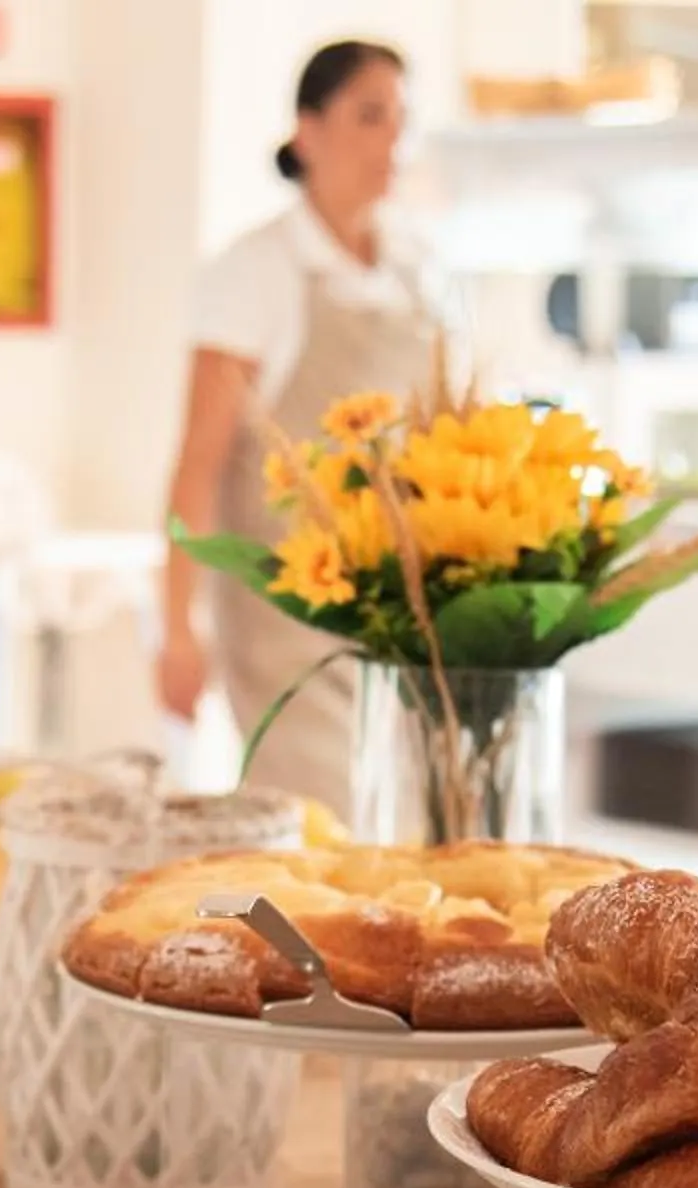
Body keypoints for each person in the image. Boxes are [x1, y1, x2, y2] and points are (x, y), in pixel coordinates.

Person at [157, 38, 449, 812]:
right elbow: (198, 461)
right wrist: (178, 630)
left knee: (415, 828)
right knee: (319, 822)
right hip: (290, 623)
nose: (392, 138)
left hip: (403, 614)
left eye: (400, 118)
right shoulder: (252, 275)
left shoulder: (417, 270)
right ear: (307, 132)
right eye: (369, 115)